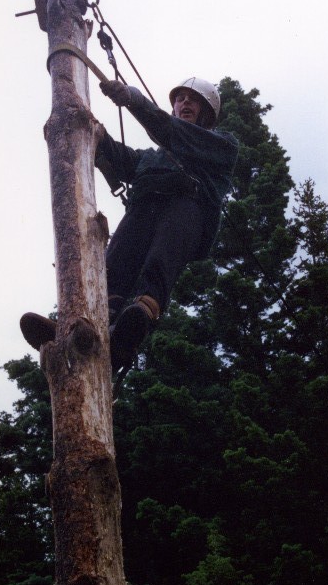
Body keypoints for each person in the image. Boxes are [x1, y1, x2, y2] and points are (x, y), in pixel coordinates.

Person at [20, 77, 239, 384]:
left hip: (187, 211)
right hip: (144, 210)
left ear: (206, 112)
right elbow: (120, 158)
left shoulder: (221, 146)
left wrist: (133, 99)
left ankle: (140, 314)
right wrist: (87, 127)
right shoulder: (151, 158)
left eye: (194, 100)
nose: (185, 103)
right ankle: (82, 327)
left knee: (160, 260)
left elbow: (170, 131)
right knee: (113, 264)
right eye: (181, 98)